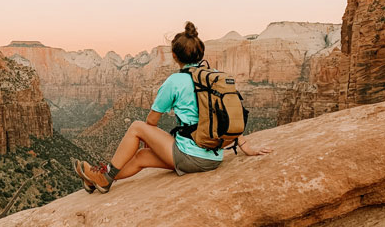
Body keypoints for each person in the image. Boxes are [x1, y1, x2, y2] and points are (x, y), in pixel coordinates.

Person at [73, 21, 272, 194]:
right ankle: (97, 180)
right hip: (214, 157)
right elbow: (227, 115)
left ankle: (106, 176)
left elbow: (151, 122)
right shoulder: (214, 78)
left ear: (175, 56)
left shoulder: (175, 81)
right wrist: (247, 148)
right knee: (142, 157)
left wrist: (149, 137)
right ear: (200, 53)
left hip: (190, 156)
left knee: (136, 126)